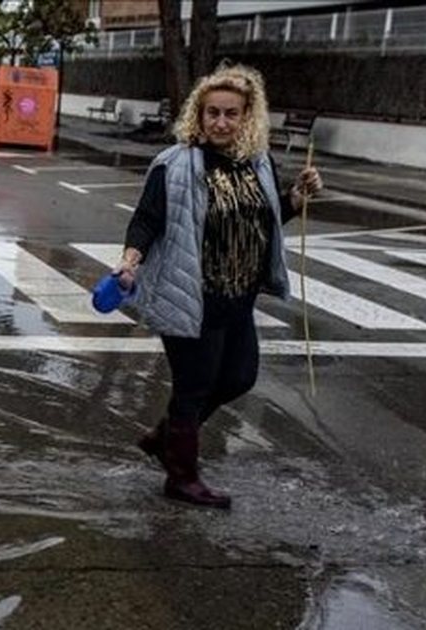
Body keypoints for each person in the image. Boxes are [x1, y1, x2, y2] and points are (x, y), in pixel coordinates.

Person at [115, 63, 323, 509]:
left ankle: (165, 438)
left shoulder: (257, 163)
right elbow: (147, 219)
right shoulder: (175, 164)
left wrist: (295, 199)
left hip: (238, 296)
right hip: (191, 293)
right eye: (213, 113)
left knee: (239, 378)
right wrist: (130, 262)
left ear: (247, 116)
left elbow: (264, 218)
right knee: (194, 386)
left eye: (231, 113)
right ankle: (181, 477)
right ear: (199, 114)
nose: (221, 122)